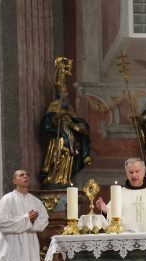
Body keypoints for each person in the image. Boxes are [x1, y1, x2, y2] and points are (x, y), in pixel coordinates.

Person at [0, 170, 49, 261]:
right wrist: (26, 219)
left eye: (27, 175)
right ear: (14, 181)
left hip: (29, 253)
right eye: (21, 175)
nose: (25, 176)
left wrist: (28, 223)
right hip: (12, 252)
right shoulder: (7, 200)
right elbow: (1, 223)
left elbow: (43, 221)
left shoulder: (36, 202)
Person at [41, 57, 92, 187]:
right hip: (60, 136)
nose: (64, 94)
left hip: (70, 136)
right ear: (58, 93)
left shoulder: (69, 107)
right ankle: (54, 178)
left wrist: (76, 126)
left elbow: (74, 119)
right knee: (60, 154)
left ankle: (65, 179)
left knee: (69, 156)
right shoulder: (54, 105)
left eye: (65, 91)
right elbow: (49, 121)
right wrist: (58, 116)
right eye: (62, 91)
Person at [96, 158, 146, 232]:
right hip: (126, 240)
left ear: (144, 171)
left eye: (137, 171)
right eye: (131, 172)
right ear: (126, 173)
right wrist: (105, 211)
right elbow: (111, 225)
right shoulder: (119, 193)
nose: (134, 175)